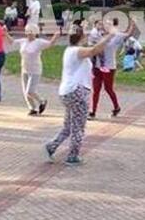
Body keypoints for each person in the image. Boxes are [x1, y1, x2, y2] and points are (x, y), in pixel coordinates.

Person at [44, 24, 112, 166]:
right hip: (77, 92)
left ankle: (51, 146)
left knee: (68, 125)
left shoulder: (69, 50)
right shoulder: (77, 51)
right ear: (81, 37)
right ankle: (73, 156)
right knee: (78, 126)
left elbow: (92, 50)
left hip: (67, 91)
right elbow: (94, 50)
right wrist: (110, 36)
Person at [5, 24, 58, 116]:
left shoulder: (39, 42)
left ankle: (42, 101)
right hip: (25, 69)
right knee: (25, 91)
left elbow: (50, 44)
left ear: (35, 33)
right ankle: (32, 108)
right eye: (28, 32)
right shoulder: (23, 41)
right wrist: (5, 33)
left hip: (35, 70)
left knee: (30, 91)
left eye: (31, 32)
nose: (29, 34)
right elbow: (12, 42)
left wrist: (56, 36)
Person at [89, 17, 134, 119]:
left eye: (109, 25)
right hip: (97, 65)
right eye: (104, 25)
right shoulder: (98, 35)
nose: (105, 27)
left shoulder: (116, 36)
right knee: (96, 89)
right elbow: (91, 44)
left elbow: (128, 34)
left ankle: (116, 107)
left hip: (109, 66)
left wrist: (132, 23)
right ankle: (93, 111)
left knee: (108, 88)